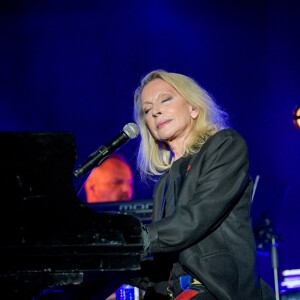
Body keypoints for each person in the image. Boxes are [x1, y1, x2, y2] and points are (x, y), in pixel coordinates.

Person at [130, 70, 275, 299]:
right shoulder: (164, 184)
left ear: (194, 108)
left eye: (165, 99)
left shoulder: (226, 146)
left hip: (215, 290)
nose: (155, 111)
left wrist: (134, 239)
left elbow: (195, 219)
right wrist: (107, 260)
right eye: (147, 110)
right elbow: (163, 262)